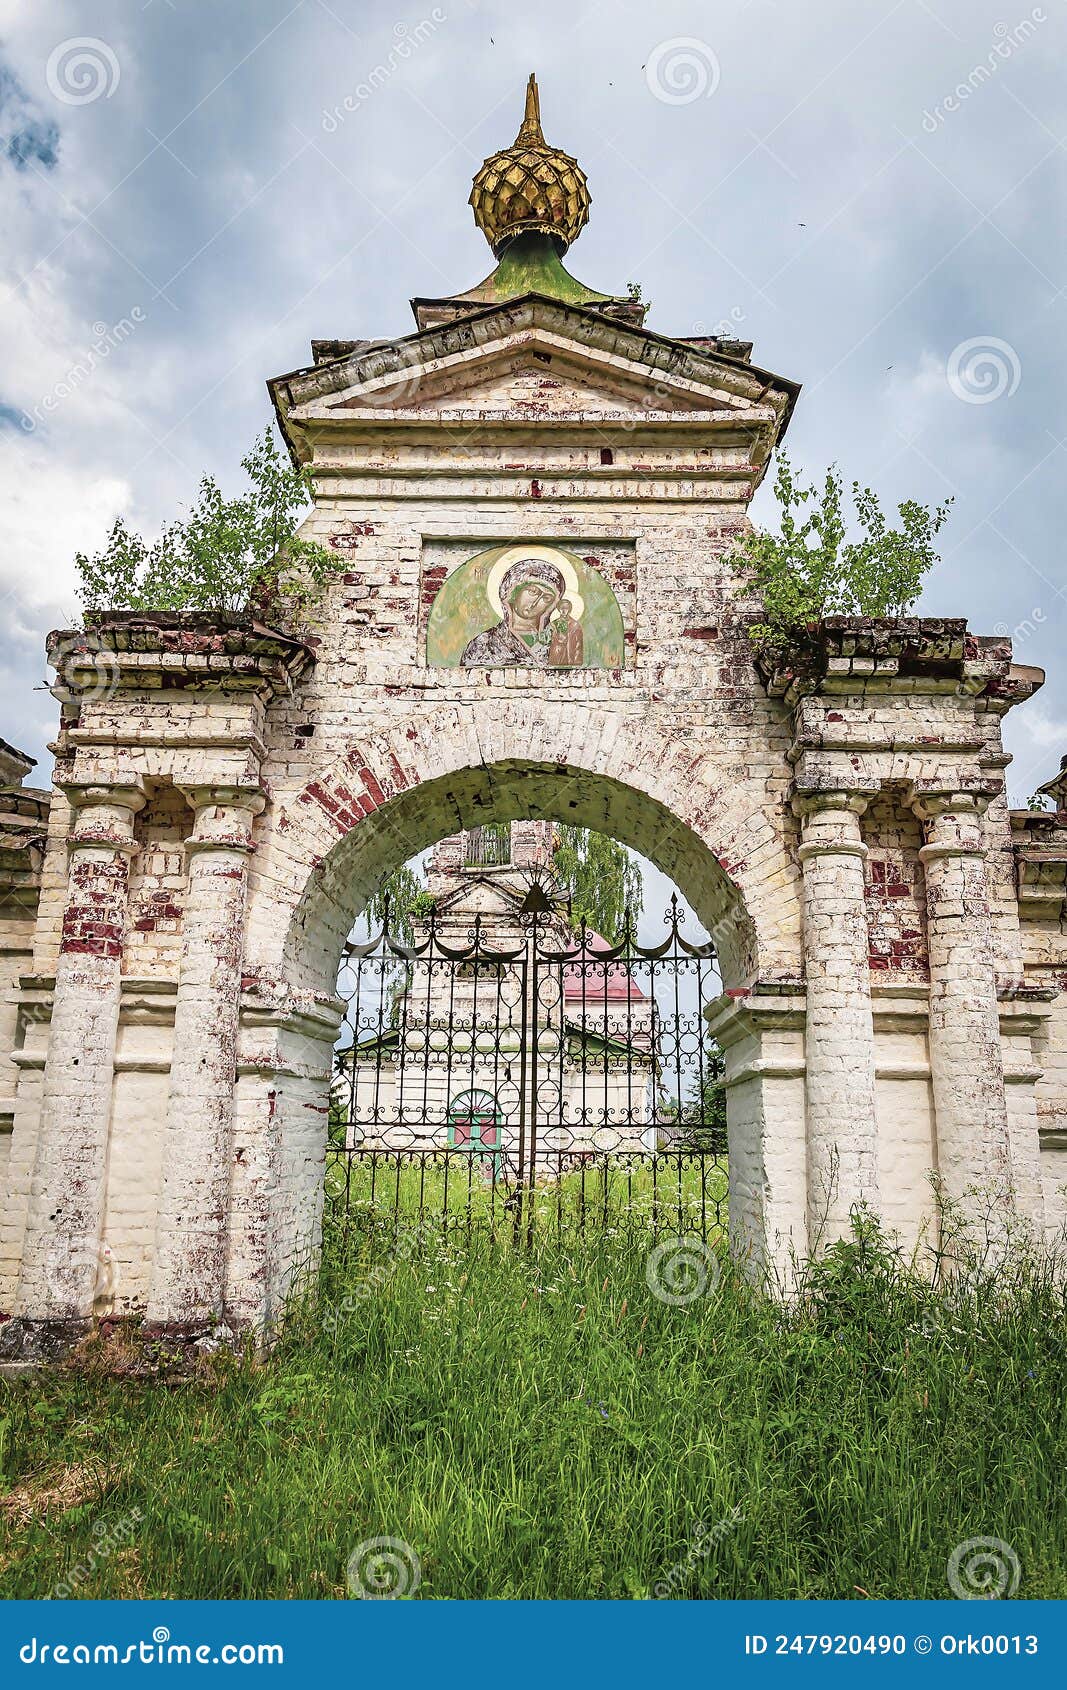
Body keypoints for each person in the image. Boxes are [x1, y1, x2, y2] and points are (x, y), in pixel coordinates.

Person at [461, 559, 567, 667]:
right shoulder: (484, 643)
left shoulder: (558, 643)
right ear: (514, 592)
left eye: (546, 598)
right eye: (532, 591)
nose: (535, 602)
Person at [547, 598, 584, 667]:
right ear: (558, 609)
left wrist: (577, 662)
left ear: (569, 609)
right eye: (562, 608)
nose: (564, 610)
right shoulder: (554, 624)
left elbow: (578, 644)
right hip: (557, 655)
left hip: (569, 654)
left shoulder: (575, 625)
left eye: (566, 608)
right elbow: (548, 641)